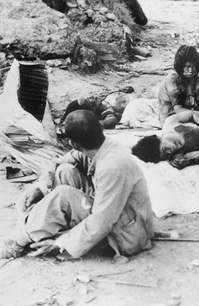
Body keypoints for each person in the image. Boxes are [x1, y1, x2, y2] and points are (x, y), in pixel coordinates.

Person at [0, 110, 155, 259]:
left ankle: (19, 241)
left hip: (128, 235)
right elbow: (57, 162)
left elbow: (102, 221)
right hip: (118, 214)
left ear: (72, 143)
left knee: (63, 195)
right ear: (100, 128)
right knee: (65, 171)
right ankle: (40, 228)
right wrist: (42, 187)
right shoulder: (100, 145)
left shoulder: (112, 167)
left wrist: (61, 243)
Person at [158, 45, 199, 124]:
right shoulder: (172, 80)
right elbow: (178, 109)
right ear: (180, 67)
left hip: (188, 110)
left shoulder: (195, 78)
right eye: (187, 67)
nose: (190, 70)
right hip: (170, 114)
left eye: (193, 66)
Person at [62, 86, 136, 129]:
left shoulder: (106, 106)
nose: (93, 97)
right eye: (91, 102)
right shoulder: (109, 113)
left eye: (91, 98)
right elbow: (108, 121)